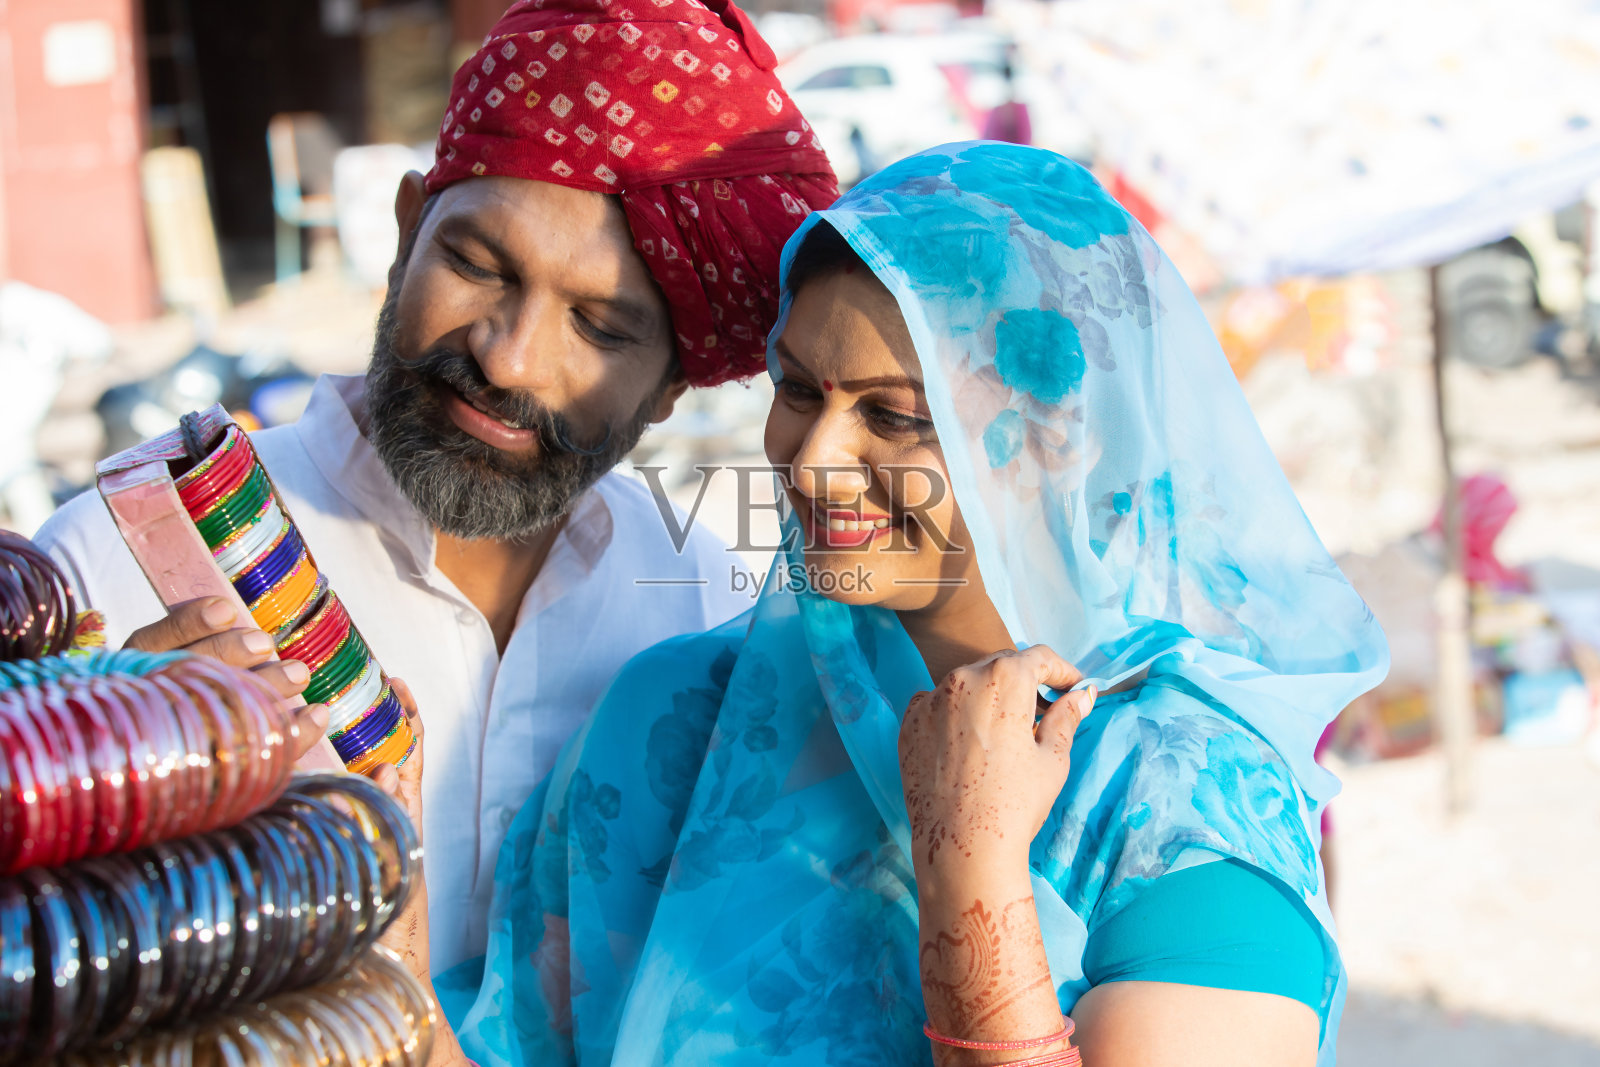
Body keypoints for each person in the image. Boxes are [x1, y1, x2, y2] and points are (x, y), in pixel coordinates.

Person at [399, 143, 1390, 1066]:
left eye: (892, 416)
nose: (814, 459)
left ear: (1065, 438)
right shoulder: (676, 720)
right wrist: (377, 920)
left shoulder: (1170, 796)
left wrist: (970, 859)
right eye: (797, 391)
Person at [31, 0, 836, 975]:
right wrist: (101, 795)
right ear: (407, 229)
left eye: (602, 328)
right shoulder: (118, 557)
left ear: (671, 384)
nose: (507, 358)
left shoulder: (700, 610)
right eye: (475, 264)